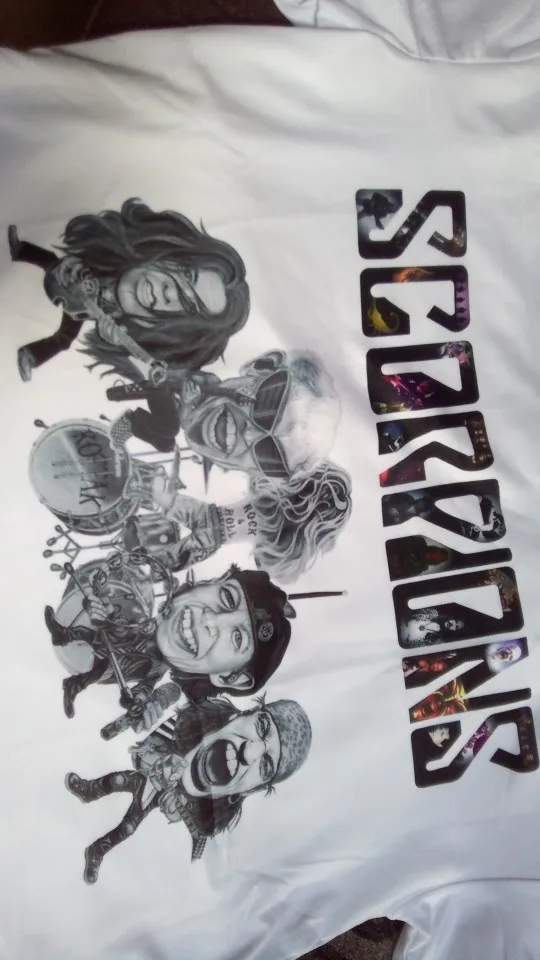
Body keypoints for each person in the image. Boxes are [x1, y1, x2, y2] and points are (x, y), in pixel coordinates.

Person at [65, 693, 312, 884]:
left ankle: (97, 851)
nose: (249, 753)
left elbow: (199, 836)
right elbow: (145, 750)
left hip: (159, 802)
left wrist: (180, 806)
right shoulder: (193, 720)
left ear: (252, 789)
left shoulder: (212, 820)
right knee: (121, 780)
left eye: (266, 765)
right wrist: (158, 763)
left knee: (129, 826)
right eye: (261, 726)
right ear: (241, 715)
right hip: (151, 778)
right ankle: (90, 790)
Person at [9, 198, 250, 382]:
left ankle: (31, 355)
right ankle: (20, 249)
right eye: (186, 274)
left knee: (64, 337)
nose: (170, 293)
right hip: (76, 283)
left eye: (189, 307)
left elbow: (149, 373)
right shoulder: (104, 260)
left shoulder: (125, 332)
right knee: (51, 263)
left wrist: (119, 343)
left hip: (82, 307)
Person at [44, 557, 295, 723]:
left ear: (229, 678)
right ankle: (64, 634)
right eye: (228, 598)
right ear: (209, 583)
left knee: (99, 664)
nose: (210, 621)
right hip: (109, 636)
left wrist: (138, 702)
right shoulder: (144, 618)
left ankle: (75, 684)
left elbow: (145, 686)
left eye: (237, 638)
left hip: (107, 664)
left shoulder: (157, 668)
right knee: (99, 635)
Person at [109, 348, 341, 479]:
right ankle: (133, 420)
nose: (249, 435)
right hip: (160, 387)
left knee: (165, 444)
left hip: (171, 404)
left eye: (269, 456)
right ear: (261, 366)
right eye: (267, 405)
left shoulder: (203, 435)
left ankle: (133, 424)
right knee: (169, 428)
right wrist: (187, 402)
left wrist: (188, 408)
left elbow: (187, 423)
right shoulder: (203, 377)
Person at [142, 460, 352, 584]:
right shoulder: (271, 497)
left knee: (165, 561)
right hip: (209, 519)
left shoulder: (278, 524)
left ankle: (142, 573)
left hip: (211, 531)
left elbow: (270, 566)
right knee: (165, 503)